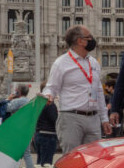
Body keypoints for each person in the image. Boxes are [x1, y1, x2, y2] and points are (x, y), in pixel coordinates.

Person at [42, 25, 111, 154]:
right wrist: (47, 96)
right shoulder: (61, 63)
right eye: (89, 37)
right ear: (80, 41)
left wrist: (104, 118)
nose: (92, 40)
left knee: (94, 159)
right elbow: (51, 87)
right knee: (71, 159)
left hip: (93, 118)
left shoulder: (94, 63)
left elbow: (99, 92)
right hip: (71, 118)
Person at [6, 84, 34, 168]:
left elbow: (7, 108)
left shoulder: (17, 101)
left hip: (17, 130)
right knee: (27, 154)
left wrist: (8, 99)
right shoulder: (30, 101)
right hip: (27, 130)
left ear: (18, 92)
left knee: (14, 153)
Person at [34, 80, 58, 165]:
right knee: (46, 165)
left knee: (40, 163)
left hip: (39, 134)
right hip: (48, 136)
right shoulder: (50, 104)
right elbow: (55, 120)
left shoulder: (39, 103)